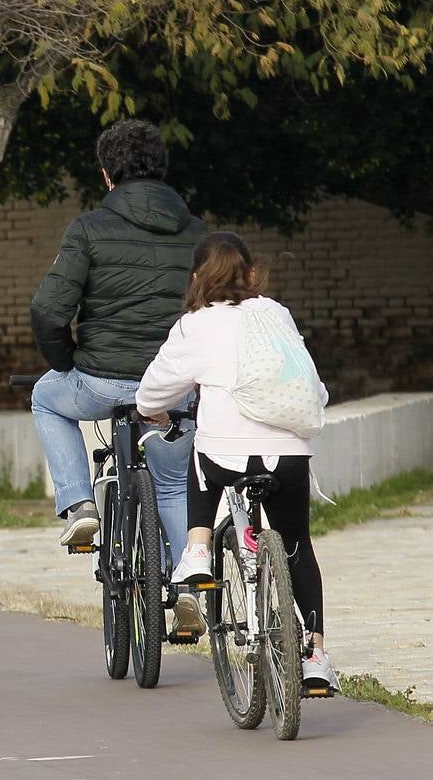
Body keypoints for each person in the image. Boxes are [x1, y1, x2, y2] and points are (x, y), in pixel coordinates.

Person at [136, 231, 337, 690]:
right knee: (298, 546)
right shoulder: (275, 313)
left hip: (224, 454)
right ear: (250, 273)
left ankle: (198, 551)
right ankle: (316, 658)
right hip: (288, 455)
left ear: (196, 278)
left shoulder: (195, 324)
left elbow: (152, 392)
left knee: (198, 455)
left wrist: (154, 410)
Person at [29, 118, 205, 635]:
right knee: (173, 482)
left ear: (107, 175)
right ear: (163, 171)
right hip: (174, 388)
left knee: (46, 397)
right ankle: (188, 585)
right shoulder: (197, 233)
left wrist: (66, 361)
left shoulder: (88, 229)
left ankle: (80, 503)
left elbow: (47, 312)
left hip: (102, 380)